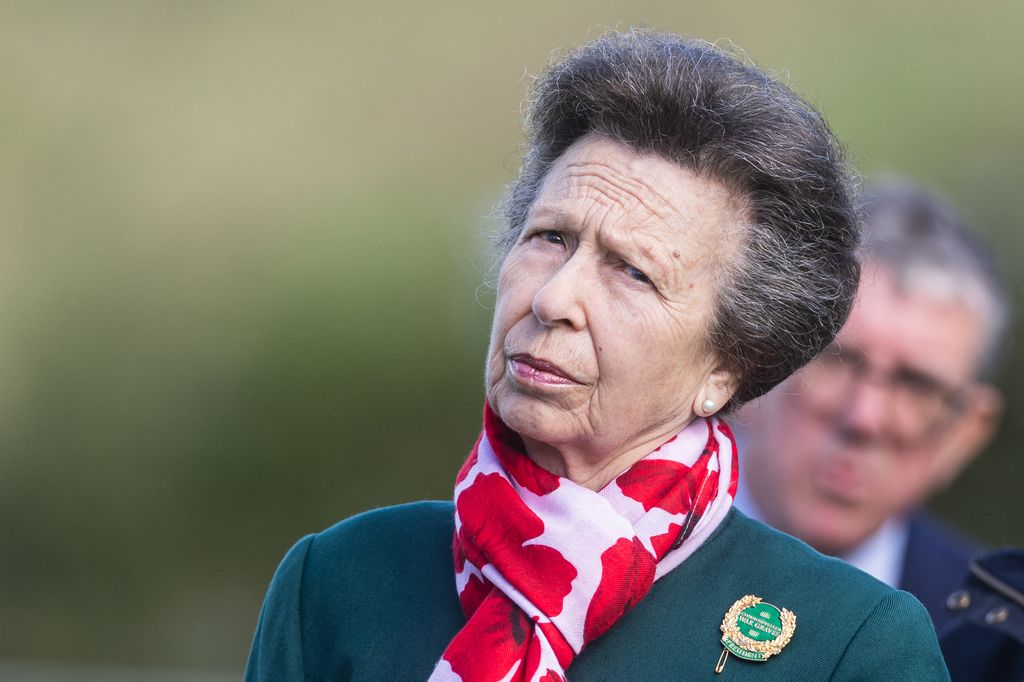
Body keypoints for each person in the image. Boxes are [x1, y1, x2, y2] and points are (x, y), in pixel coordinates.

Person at [245, 30, 949, 680]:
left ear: (729, 363)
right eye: (549, 237)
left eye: (633, 271)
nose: (554, 298)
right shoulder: (341, 579)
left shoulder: (851, 641)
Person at [735, 179, 1008, 632]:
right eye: (836, 360)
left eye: (917, 387)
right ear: (753, 360)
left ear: (965, 434)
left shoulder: (992, 642)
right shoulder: (609, 546)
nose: (863, 417)